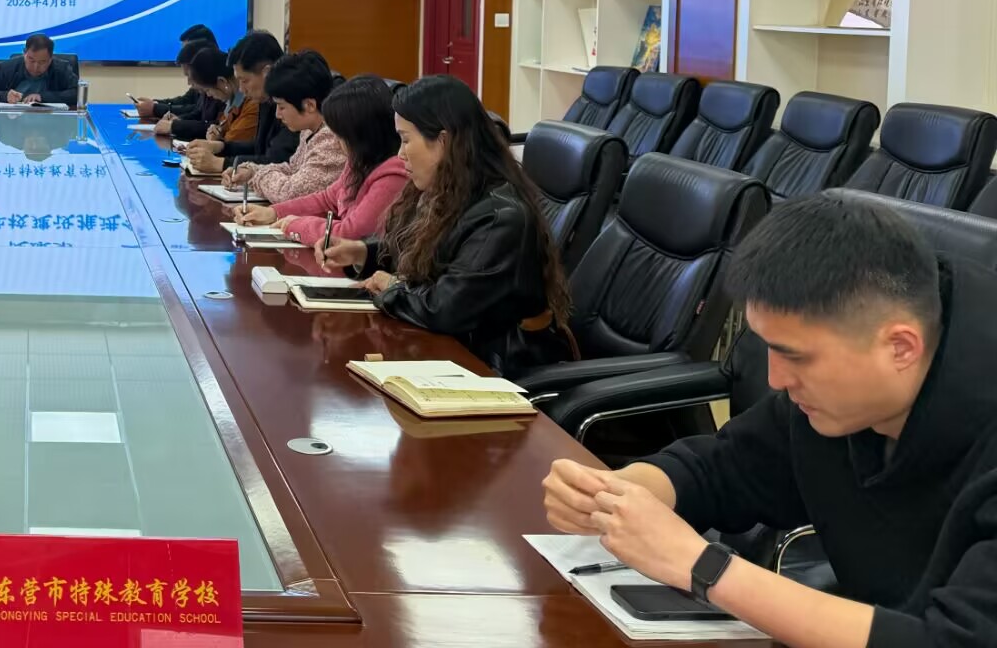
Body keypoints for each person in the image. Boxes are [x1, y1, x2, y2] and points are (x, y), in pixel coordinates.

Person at [543, 192, 997, 648]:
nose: (776, 380)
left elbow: (953, 640)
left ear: (900, 347)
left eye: (795, 357)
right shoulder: (838, 397)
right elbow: (721, 468)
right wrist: (613, 495)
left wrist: (703, 567)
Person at [323, 75, 573, 373]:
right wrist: (362, 252)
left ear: (443, 142)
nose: (400, 154)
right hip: (450, 350)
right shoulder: (448, 190)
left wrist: (392, 288)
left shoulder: (500, 217)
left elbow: (444, 309)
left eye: (405, 140)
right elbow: (417, 253)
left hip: (495, 368)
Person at [236, 77, 407, 254]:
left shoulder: (394, 175)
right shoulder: (359, 160)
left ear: (361, 135)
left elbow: (351, 235)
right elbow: (327, 199)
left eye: (340, 135)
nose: (337, 142)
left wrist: (295, 225)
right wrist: (274, 213)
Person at [223, 51, 346, 203]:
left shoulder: (331, 139)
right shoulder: (309, 130)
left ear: (309, 105)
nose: (277, 115)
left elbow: (289, 193)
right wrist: (251, 171)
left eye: (281, 107)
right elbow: (292, 169)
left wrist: (257, 176)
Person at [186, 31, 292, 167]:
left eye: (245, 80)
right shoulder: (266, 100)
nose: (241, 89)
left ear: (267, 73)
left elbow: (278, 161)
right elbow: (259, 148)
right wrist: (220, 147)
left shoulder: (292, 102)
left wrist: (220, 164)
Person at [172, 44, 242, 167]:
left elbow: (234, 141)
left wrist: (217, 143)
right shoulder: (231, 101)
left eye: (208, 90)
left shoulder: (249, 103)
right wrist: (216, 135)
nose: (208, 95)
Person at [135, 24, 218, 120]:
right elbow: (185, 101)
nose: (184, 54)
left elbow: (196, 111)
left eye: (188, 50)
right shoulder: (199, 74)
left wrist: (155, 109)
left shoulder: (215, 75)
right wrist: (155, 104)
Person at [0, 33, 79, 106]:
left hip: (50, 123)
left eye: (42, 62)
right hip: (14, 123)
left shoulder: (61, 68)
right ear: (24, 53)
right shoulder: (7, 68)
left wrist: (43, 97)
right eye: (31, 60)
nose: (36, 67)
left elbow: (77, 93)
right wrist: (5, 96)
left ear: (51, 58)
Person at [155, 37, 225, 141]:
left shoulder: (220, 89)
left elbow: (219, 126)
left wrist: (175, 126)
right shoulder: (206, 89)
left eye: (190, 76)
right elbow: (198, 113)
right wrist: (178, 121)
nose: (189, 82)